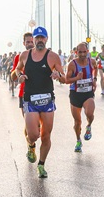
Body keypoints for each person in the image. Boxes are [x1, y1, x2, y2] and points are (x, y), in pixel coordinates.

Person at [14, 26, 63, 178]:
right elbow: (15, 71)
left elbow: (64, 76)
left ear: (46, 39)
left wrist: (58, 74)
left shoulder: (53, 56)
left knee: (46, 136)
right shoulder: (24, 55)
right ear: (33, 40)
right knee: (34, 134)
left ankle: (41, 165)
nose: (40, 40)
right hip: (30, 100)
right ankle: (31, 145)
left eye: (42, 38)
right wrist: (19, 75)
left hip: (48, 100)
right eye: (37, 38)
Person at [63, 42, 97, 153]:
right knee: (77, 122)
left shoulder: (92, 62)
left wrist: (95, 80)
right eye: (80, 52)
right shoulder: (72, 64)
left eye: (84, 52)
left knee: (89, 114)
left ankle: (89, 126)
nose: (82, 54)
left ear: (87, 51)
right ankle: (78, 140)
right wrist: (77, 78)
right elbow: (67, 80)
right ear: (76, 52)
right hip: (75, 94)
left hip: (88, 93)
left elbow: (95, 69)